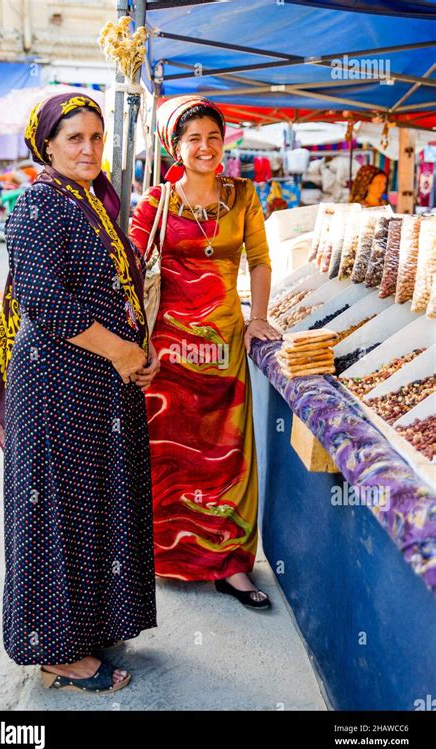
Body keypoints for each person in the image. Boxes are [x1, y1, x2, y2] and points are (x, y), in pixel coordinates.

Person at [0, 93, 160, 695]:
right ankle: (57, 652)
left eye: (96, 137)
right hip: (58, 382)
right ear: (48, 146)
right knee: (56, 509)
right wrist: (124, 351)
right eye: (74, 139)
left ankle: (90, 626)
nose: (88, 149)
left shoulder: (90, 200)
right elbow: (46, 298)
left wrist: (140, 352)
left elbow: (118, 288)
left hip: (103, 384)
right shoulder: (38, 201)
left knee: (100, 502)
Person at [130, 95, 281, 609]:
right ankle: (165, 556)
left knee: (227, 456)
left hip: (224, 349)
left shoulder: (242, 195)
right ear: (176, 146)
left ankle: (232, 565)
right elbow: (129, 270)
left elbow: (259, 260)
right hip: (168, 353)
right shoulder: (157, 202)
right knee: (169, 458)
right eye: (193, 138)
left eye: (214, 137)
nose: (206, 147)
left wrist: (257, 316)